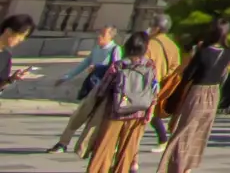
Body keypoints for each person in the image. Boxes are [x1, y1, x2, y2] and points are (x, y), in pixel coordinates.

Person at [155, 17, 230, 173]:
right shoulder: (228, 53)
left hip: (198, 92)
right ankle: (188, 166)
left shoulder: (203, 52)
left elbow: (188, 74)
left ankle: (172, 166)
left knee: (184, 131)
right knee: (200, 131)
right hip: (214, 94)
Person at [86, 30, 157, 173]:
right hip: (138, 113)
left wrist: (96, 106)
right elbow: (154, 89)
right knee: (126, 154)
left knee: (103, 151)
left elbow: (103, 89)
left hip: (115, 112)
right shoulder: (150, 65)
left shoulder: (118, 65)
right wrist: (150, 111)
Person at [48, 24, 122, 154]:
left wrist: (98, 68)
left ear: (110, 37)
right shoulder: (96, 49)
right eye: (99, 33)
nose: (99, 37)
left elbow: (117, 69)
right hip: (91, 88)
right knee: (77, 116)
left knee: (94, 122)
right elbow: (84, 64)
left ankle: (85, 148)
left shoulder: (115, 49)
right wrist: (66, 77)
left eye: (103, 34)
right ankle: (62, 143)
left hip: (104, 91)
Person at [145, 12, 181, 148]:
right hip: (160, 84)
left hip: (146, 83)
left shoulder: (148, 44)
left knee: (141, 112)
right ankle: (163, 139)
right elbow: (175, 67)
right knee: (153, 112)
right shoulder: (173, 46)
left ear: (156, 28)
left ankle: (162, 139)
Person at [0, 12, 39, 94]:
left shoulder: (6, 56)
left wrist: (12, 79)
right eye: (21, 35)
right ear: (8, 31)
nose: (22, 39)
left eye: (25, 37)